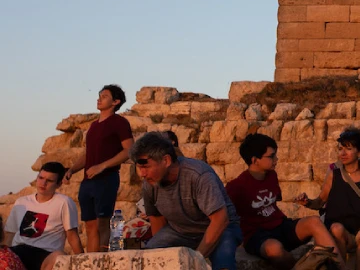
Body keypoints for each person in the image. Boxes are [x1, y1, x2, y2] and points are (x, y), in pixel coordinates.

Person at [225, 133, 340, 268]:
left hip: (280, 226)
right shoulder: (236, 186)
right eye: (271, 156)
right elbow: (225, 216)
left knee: (314, 222)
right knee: (274, 249)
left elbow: (275, 202)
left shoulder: (271, 175)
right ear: (255, 160)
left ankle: (341, 267)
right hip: (257, 235)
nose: (276, 159)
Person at [132, 132, 242, 270]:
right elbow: (156, 217)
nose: (142, 173)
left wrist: (196, 258)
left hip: (220, 227)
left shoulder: (198, 175)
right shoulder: (150, 183)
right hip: (180, 231)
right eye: (139, 168)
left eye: (146, 167)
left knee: (223, 264)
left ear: (166, 161)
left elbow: (220, 219)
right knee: (150, 259)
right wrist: (161, 254)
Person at [297, 128, 360, 270]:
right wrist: (307, 202)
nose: (342, 154)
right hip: (339, 233)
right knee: (336, 228)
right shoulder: (334, 175)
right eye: (340, 149)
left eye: (348, 149)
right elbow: (320, 202)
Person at [66, 84, 134, 252]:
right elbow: (88, 153)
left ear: (115, 102)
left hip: (106, 179)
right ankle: (91, 262)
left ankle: (101, 262)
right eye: (99, 95)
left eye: (104, 96)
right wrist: (72, 169)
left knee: (102, 224)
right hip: (87, 181)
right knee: (90, 226)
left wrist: (102, 166)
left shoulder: (119, 122)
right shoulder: (94, 126)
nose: (99, 98)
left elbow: (129, 150)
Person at [3, 162, 83, 270]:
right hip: (19, 251)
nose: (43, 183)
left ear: (59, 184)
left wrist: (83, 261)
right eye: (41, 178)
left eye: (49, 181)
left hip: (45, 254)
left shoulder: (64, 202)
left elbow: (72, 236)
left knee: (60, 256)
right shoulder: (21, 202)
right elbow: (10, 234)